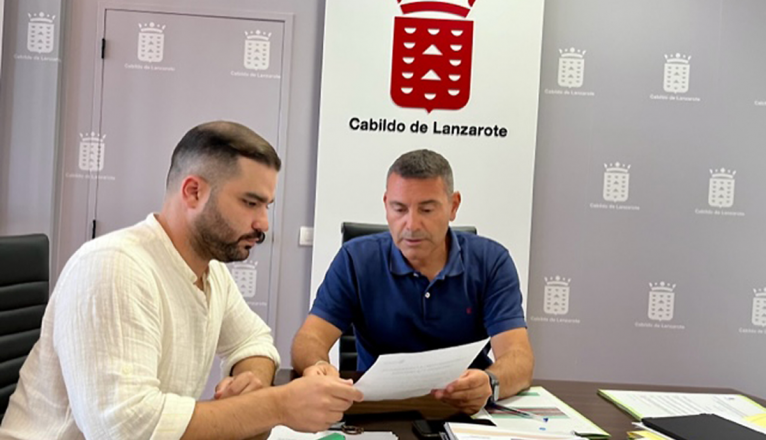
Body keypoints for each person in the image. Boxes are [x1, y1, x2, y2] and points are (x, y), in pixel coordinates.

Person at [0, 121, 363, 440]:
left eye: (266, 206)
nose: (263, 224)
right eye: (250, 203)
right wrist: (276, 405)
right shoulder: (113, 267)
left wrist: (250, 379)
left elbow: (253, 341)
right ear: (193, 192)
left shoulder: (211, 271)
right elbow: (123, 430)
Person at [291, 149, 534, 414]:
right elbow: (310, 338)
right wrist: (317, 366)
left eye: (426, 210)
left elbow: (518, 358)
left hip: (464, 410)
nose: (411, 224)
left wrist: (490, 383)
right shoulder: (355, 259)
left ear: (453, 206)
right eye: (399, 209)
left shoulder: (491, 261)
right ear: (386, 204)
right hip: (377, 410)